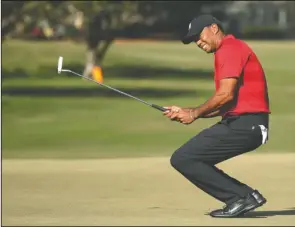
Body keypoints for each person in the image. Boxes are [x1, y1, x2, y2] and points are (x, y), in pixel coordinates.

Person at [163, 14, 270, 218]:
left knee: (184, 158)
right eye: (194, 40)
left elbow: (225, 94)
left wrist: (194, 113)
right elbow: (226, 104)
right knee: (187, 158)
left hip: (247, 124)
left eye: (199, 36)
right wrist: (187, 112)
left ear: (214, 28)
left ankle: (242, 197)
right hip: (243, 123)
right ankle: (244, 196)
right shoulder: (230, 49)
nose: (198, 42)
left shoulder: (229, 49)